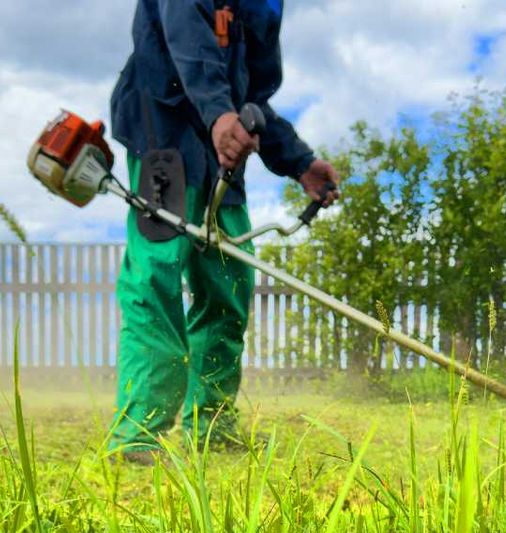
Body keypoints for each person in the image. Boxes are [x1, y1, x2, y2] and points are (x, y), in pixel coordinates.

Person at [107, 0, 339, 464]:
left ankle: (210, 426)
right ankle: (137, 434)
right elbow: (187, 44)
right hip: (164, 137)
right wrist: (219, 115)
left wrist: (298, 161)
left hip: (221, 154)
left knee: (230, 281)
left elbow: (255, 95)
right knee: (156, 275)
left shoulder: (265, 6)